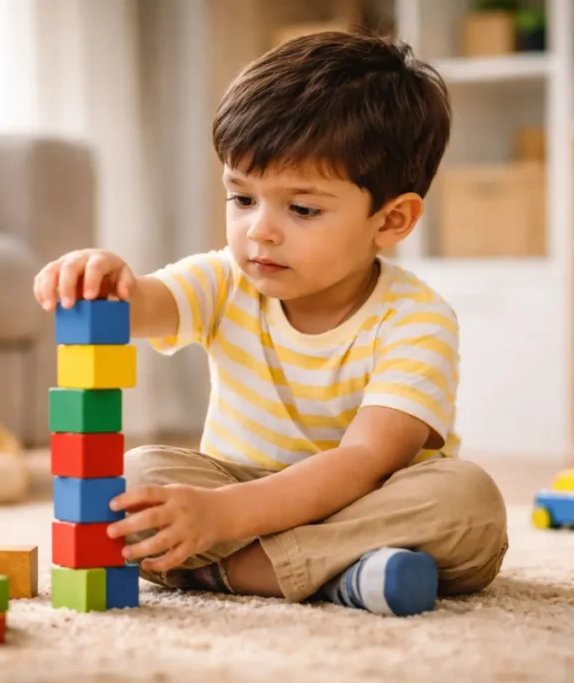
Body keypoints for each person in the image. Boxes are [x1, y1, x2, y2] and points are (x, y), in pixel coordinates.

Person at [32, 30, 508, 617]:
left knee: (466, 502)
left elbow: (365, 461)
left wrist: (223, 520)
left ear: (391, 220)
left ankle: (234, 571)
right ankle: (343, 578)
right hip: (236, 482)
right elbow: (140, 307)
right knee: (133, 478)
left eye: (301, 208)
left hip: (364, 499)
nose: (260, 230)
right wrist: (103, 280)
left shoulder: (416, 319)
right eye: (242, 199)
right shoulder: (225, 279)